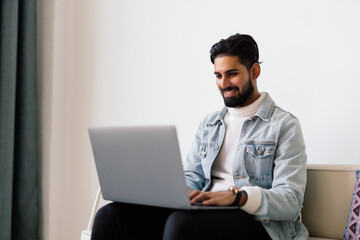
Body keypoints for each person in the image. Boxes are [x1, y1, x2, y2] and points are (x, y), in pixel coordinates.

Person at [91, 33, 309, 240]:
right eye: (218, 75)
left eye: (232, 74)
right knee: (111, 216)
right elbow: (192, 178)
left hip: (257, 224)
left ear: (254, 71)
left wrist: (237, 197)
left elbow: (291, 201)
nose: (224, 84)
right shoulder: (210, 124)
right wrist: (164, 194)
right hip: (202, 213)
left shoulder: (284, 125)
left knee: (182, 223)